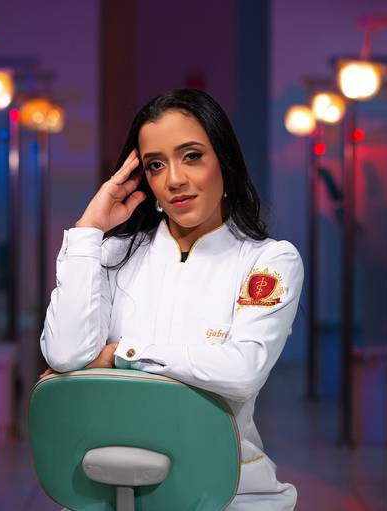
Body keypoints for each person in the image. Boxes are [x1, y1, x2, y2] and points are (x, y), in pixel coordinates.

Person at [40, 88, 304, 510]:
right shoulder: (110, 253)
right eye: (155, 165)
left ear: (224, 160)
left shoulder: (267, 261)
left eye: (192, 156)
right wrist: (88, 230)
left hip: (229, 491)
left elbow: (243, 369)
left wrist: (122, 353)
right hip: (113, 487)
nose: (174, 179)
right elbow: (65, 354)